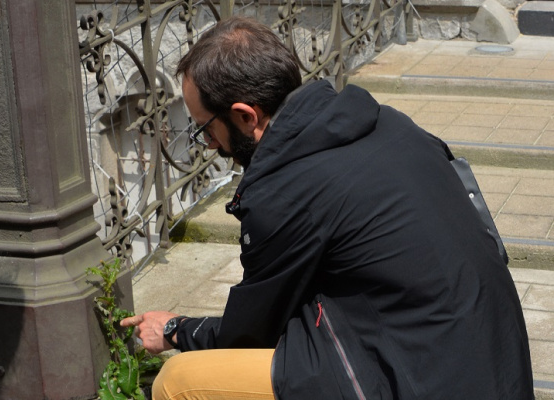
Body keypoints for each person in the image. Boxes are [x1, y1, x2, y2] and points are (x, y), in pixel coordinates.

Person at [121, 16, 533, 399]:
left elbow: (248, 334)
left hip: (426, 379)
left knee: (179, 382)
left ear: (246, 116)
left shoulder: (284, 192)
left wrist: (176, 330)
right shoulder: (389, 122)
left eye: (206, 129)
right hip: (495, 359)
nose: (209, 145)